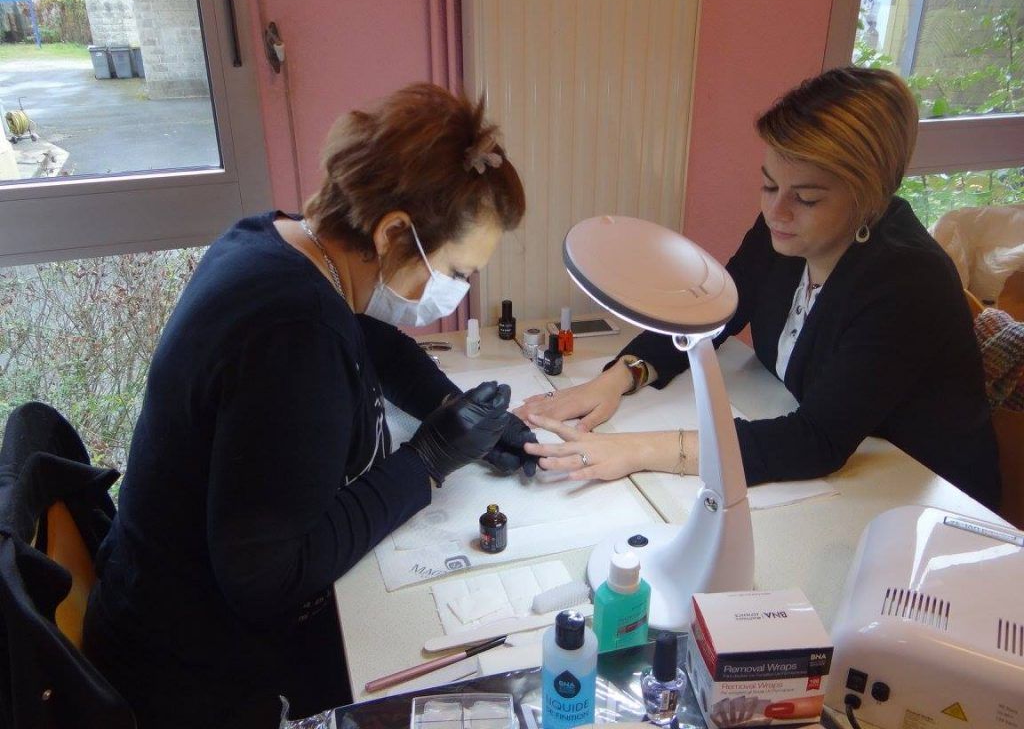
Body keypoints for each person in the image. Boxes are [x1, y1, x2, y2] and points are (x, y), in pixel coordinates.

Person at [82, 83, 537, 728]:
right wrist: (429, 459)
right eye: (457, 273)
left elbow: (370, 339)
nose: (458, 292)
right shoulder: (294, 334)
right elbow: (268, 577)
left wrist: (456, 408)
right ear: (393, 233)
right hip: (187, 671)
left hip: (157, 602)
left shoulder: (278, 244)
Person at [518, 67, 1000, 509]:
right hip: (855, 481)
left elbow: (815, 442)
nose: (776, 211)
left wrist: (638, 449)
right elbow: (713, 313)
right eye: (769, 186)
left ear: (869, 197)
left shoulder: (907, 281)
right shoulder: (787, 234)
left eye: (806, 198)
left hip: (927, 502)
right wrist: (621, 376)